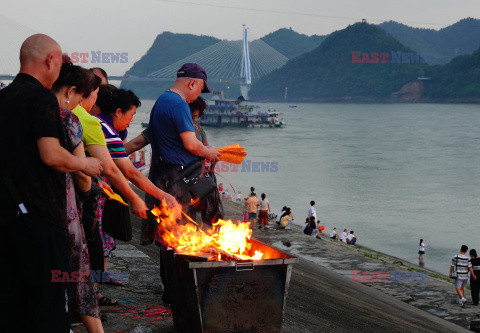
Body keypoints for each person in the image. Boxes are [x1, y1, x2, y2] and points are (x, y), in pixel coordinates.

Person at [0, 34, 102, 332]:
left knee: (12, 306)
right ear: (50, 61)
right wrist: (85, 163)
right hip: (40, 220)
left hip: (6, 216)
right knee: (48, 308)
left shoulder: (4, 98)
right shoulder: (42, 98)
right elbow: (51, 154)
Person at [146, 63, 220, 306]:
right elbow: (191, 145)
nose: (198, 95)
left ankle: (171, 292)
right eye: (199, 89)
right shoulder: (178, 104)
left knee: (169, 237)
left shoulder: (161, 101)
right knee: (181, 238)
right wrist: (209, 151)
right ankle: (180, 294)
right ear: (191, 83)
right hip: (178, 181)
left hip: (162, 176)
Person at [51, 64, 103, 331]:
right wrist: (87, 193)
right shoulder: (68, 120)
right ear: (71, 91)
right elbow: (83, 175)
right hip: (65, 209)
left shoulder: (29, 110)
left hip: (29, 209)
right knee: (79, 275)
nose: (81, 106)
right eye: (81, 99)